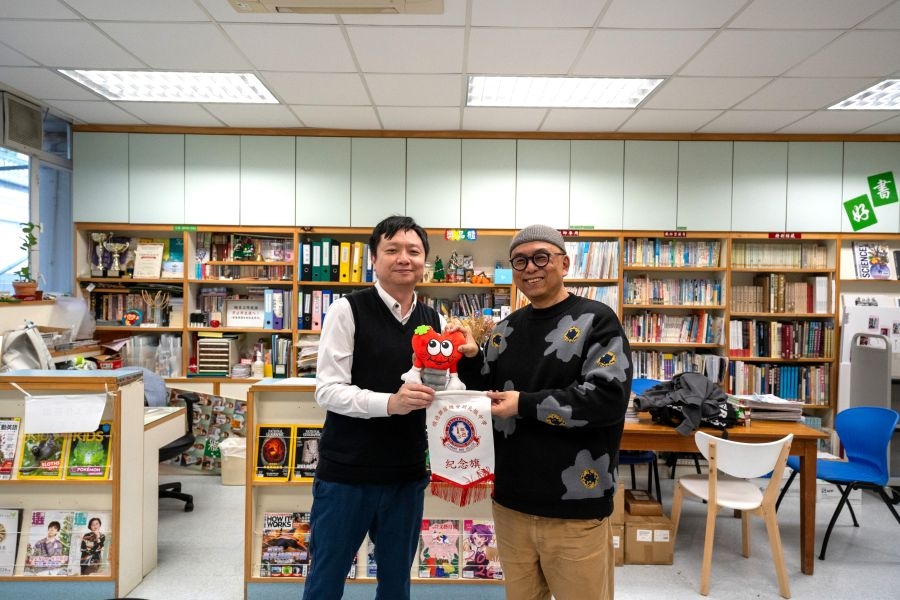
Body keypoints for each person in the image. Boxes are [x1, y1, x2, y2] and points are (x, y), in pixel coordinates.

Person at [457, 223, 633, 600]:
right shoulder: (504, 330)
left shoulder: (597, 320)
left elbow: (608, 398)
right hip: (512, 501)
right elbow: (488, 394)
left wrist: (524, 404)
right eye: (519, 261)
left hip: (575, 506)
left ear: (564, 264)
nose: (530, 268)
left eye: (541, 257)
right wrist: (471, 359)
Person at [302, 215, 448, 600]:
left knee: (397, 584)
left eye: (413, 251)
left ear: (425, 260)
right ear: (374, 259)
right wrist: (390, 403)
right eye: (392, 250)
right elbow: (328, 391)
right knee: (325, 581)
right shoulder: (347, 310)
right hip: (347, 475)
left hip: (406, 475)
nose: (404, 258)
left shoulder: (434, 319)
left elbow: (442, 386)